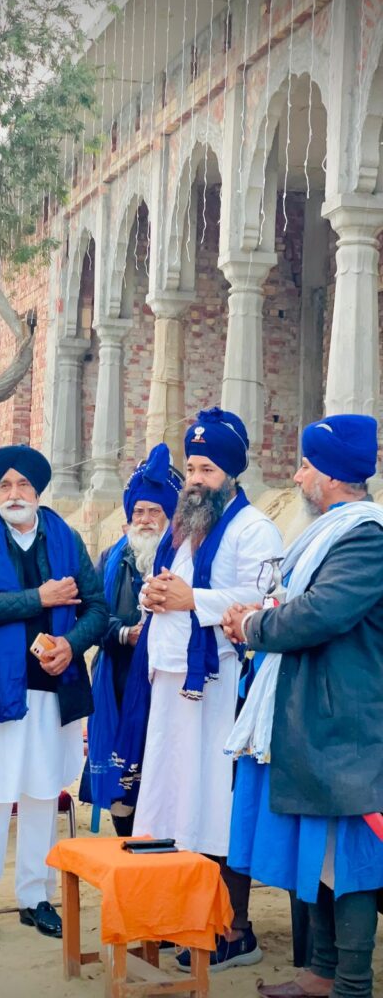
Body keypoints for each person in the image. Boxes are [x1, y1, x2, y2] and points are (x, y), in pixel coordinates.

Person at [222, 414, 383, 998]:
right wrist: (261, 616)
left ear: (333, 476)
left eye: (306, 465)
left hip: (347, 725)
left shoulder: (366, 538)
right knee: (321, 854)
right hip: (317, 718)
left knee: (349, 859)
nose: (296, 476)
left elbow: (319, 614)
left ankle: (351, 983)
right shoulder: (328, 535)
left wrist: (253, 625)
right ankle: (320, 971)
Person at [133, 407, 283, 973]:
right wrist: (153, 594)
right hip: (171, 684)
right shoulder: (183, 528)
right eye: (192, 467)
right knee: (174, 801)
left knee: (216, 804)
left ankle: (233, 930)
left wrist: (191, 600)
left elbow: (266, 601)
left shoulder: (254, 529)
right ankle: (181, 916)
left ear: (231, 474)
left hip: (221, 688)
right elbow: (171, 588)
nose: (195, 479)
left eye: (207, 470)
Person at [0, 444, 107, 944]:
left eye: (23, 485)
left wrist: (70, 644)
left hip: (53, 691)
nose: (14, 494)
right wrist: (40, 597)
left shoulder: (66, 538)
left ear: (38, 491)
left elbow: (97, 609)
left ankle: (36, 897)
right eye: (5, 486)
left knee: (41, 795)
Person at [87, 442, 183, 836]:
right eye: (138, 512)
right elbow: (92, 615)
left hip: (168, 685)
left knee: (162, 773)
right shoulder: (110, 559)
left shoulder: (185, 560)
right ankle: (127, 846)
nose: (144, 520)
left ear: (170, 517)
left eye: (154, 512)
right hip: (119, 681)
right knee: (122, 786)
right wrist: (126, 634)